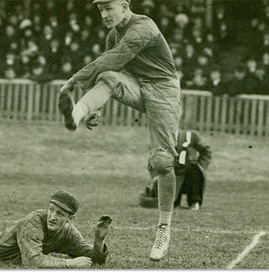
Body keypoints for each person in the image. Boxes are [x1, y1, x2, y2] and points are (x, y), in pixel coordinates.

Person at [57, 0, 181, 261]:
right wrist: (94, 111)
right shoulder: (113, 35)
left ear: (125, 6)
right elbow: (111, 72)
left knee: (162, 161)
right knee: (109, 78)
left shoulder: (143, 27)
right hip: (136, 85)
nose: (104, 14)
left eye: (109, 8)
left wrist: (73, 81)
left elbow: (116, 57)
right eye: (100, 10)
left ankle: (163, 227)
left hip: (163, 90)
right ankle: (76, 114)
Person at [141, 129, 212, 210]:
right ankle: (172, 201)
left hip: (189, 177)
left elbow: (206, 151)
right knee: (170, 205)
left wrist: (201, 166)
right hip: (171, 177)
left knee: (194, 167)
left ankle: (194, 201)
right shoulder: (160, 139)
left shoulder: (191, 135)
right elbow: (152, 161)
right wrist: (156, 177)